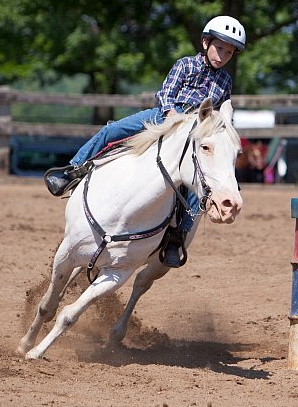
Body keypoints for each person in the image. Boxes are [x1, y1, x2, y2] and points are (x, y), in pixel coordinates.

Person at [43, 15, 246, 267]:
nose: (223, 55)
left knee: (193, 190)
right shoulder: (185, 65)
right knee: (112, 130)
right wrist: (174, 116)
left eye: (229, 52)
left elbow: (217, 116)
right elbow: (165, 95)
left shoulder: (225, 81)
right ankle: (73, 170)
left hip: (190, 136)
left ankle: (176, 237)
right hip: (164, 118)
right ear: (206, 43)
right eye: (220, 48)